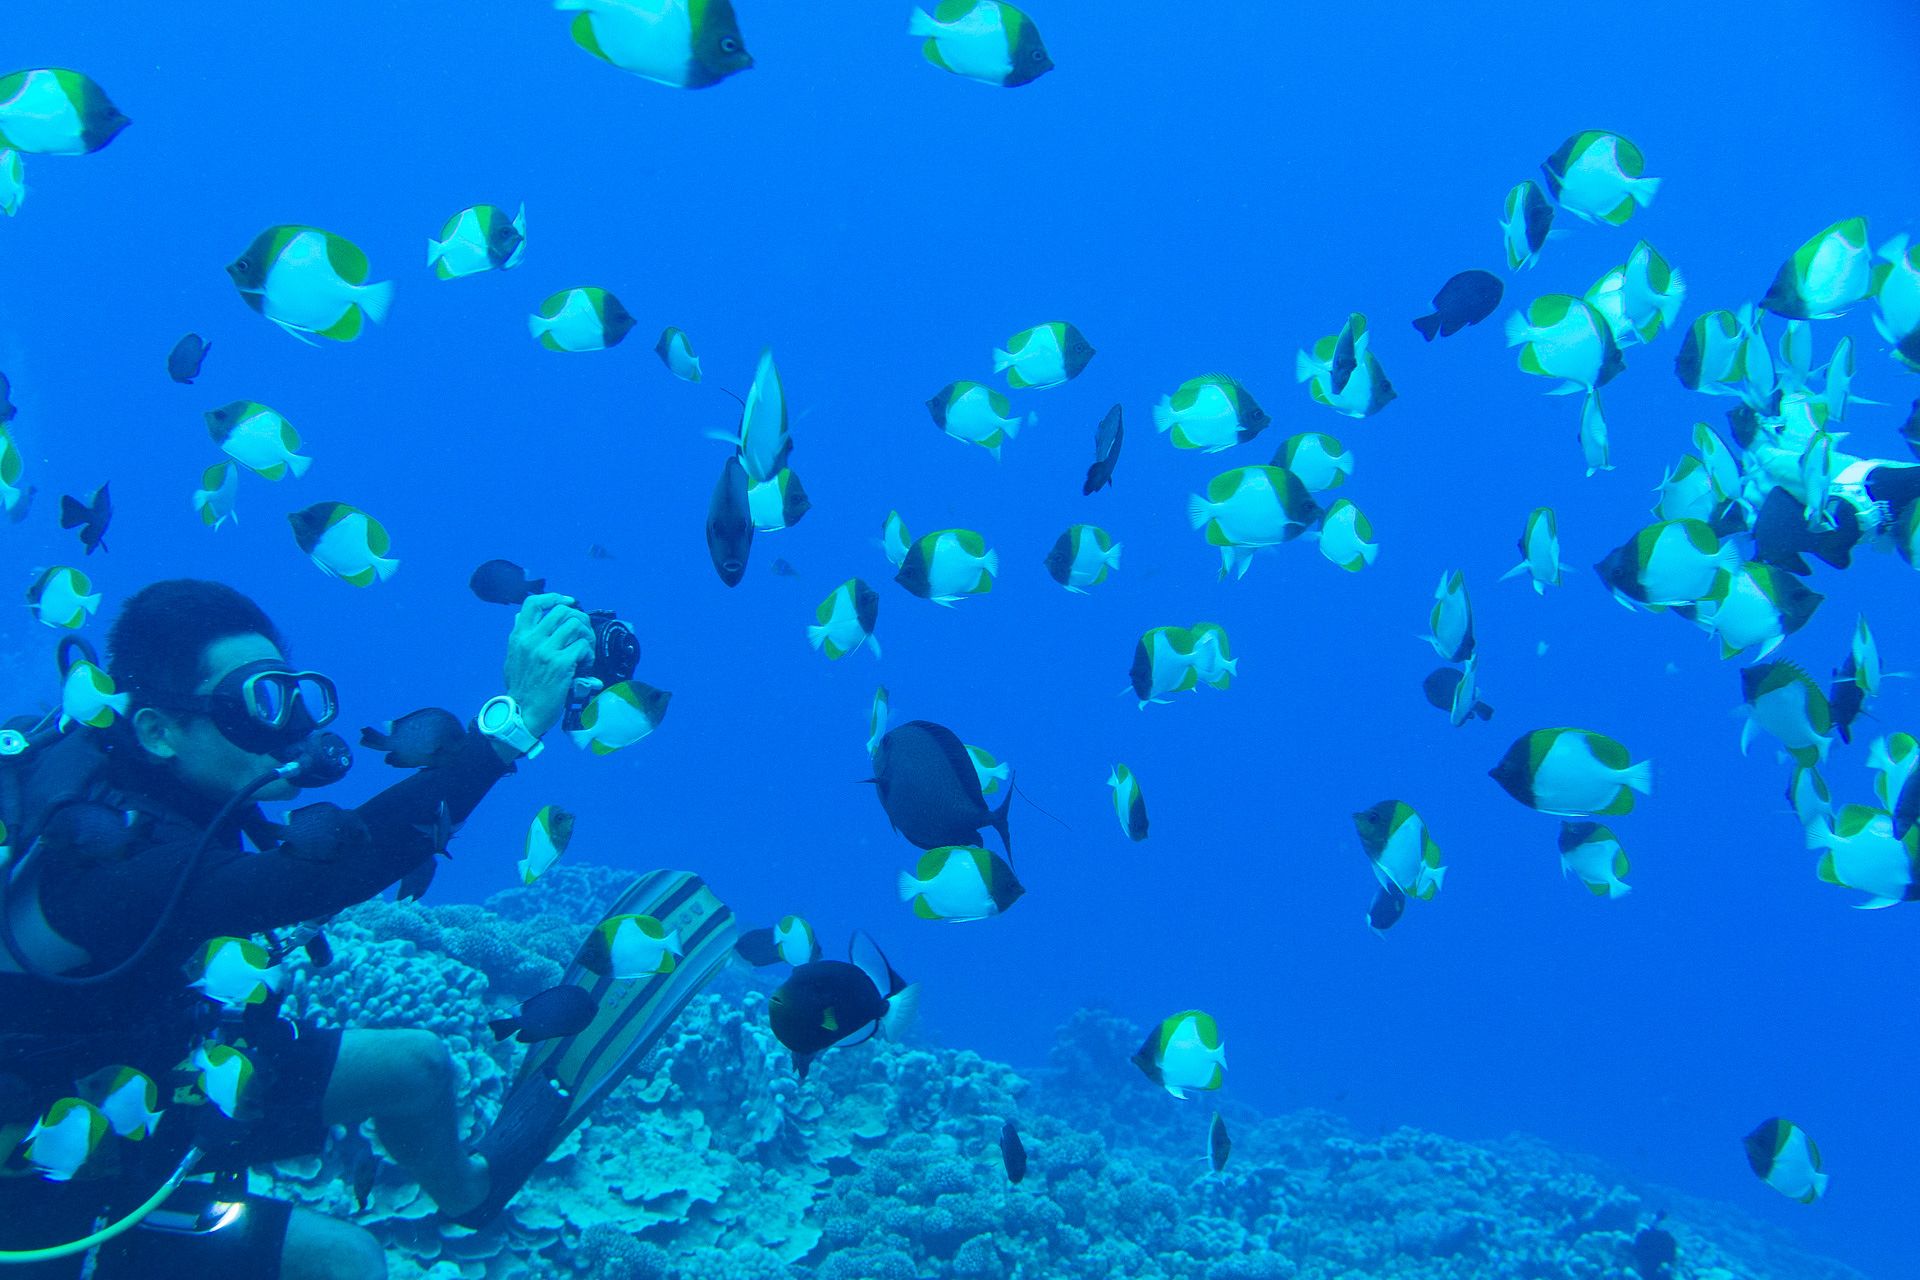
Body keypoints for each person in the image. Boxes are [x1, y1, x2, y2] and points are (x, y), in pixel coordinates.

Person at [0, 579, 594, 1280]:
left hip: (153, 1068)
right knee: (348, 1260)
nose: (288, 728)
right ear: (157, 730)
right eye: (253, 702)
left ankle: (470, 1193)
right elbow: (310, 879)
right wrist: (510, 727)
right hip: (49, 1165)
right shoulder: (105, 856)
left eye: (290, 694)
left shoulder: (162, 789)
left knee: (418, 1066)